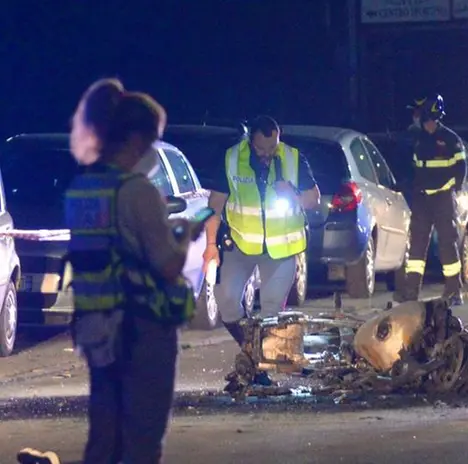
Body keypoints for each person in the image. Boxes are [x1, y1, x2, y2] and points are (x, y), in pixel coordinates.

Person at [63, 78, 197, 463]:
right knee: (141, 438)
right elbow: (167, 265)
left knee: (105, 435)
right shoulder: (136, 191)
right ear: (137, 139)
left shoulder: (81, 189)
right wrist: (183, 237)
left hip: (95, 328)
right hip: (142, 328)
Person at [202, 115, 320, 385]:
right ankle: (254, 354)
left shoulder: (293, 158)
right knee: (228, 302)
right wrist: (210, 246)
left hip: (281, 249)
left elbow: (313, 198)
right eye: (260, 149)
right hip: (242, 244)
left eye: (272, 148)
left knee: (269, 313)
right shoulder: (231, 159)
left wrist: (294, 196)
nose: (267, 154)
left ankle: (258, 367)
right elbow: (215, 205)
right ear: (249, 142)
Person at [397, 94, 467, 306]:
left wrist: (452, 190)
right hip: (422, 199)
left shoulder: (451, 140)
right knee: (417, 246)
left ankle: (454, 290)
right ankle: (411, 292)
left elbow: (460, 170)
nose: (420, 120)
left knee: (447, 243)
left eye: (422, 116)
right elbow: (412, 169)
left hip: (443, 198)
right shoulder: (418, 139)